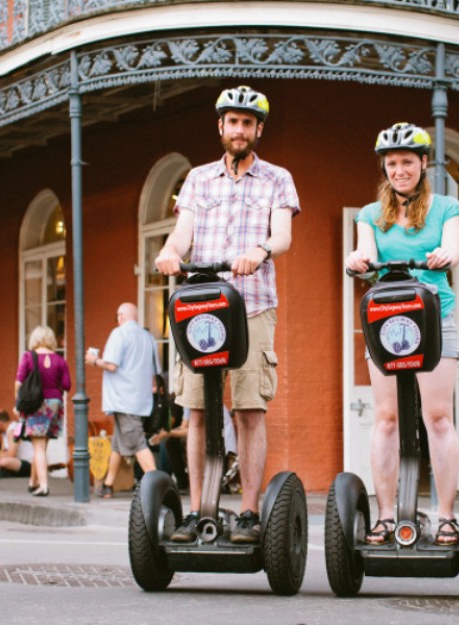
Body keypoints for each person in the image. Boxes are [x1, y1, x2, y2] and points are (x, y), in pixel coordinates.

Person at [154, 85, 299, 544]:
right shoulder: (198, 179)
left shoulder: (278, 178)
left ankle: (251, 513)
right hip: (201, 305)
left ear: (259, 130)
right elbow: (181, 235)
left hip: (252, 302)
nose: (239, 130)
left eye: (247, 123)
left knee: (249, 410)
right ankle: (199, 509)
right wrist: (169, 252)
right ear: (220, 127)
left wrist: (258, 251)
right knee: (197, 411)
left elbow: (283, 237)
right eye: (232, 122)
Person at [344, 122, 459, 546]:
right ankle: (384, 516)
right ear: (385, 167)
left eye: (407, 162)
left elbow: (453, 246)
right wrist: (359, 259)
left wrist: (445, 254)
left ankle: (447, 515)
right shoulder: (370, 214)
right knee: (387, 417)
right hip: (387, 320)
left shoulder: (446, 207)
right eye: (392, 163)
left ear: (423, 163)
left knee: (437, 417)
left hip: (435, 317)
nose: (400, 170)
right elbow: (367, 252)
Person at [85, 302, 157, 499]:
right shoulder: (148, 337)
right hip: (141, 399)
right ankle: (108, 486)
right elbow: (155, 372)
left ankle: (158, 486)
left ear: (120, 316)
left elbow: (111, 366)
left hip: (123, 398)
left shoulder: (119, 334)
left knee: (137, 443)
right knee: (118, 444)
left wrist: (93, 360)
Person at [15, 325, 71, 497]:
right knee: (41, 446)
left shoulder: (28, 357)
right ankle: (33, 482)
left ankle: (44, 486)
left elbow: (18, 383)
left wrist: (17, 405)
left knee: (38, 447)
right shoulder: (60, 360)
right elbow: (67, 385)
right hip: (54, 404)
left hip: (34, 403)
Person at [0, 409, 33, 479]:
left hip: (29, 463)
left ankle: (3, 471)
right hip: (16, 462)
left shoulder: (13, 429)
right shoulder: (4, 432)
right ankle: (3, 471)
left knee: (4, 462)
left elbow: (11, 453)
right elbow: (2, 451)